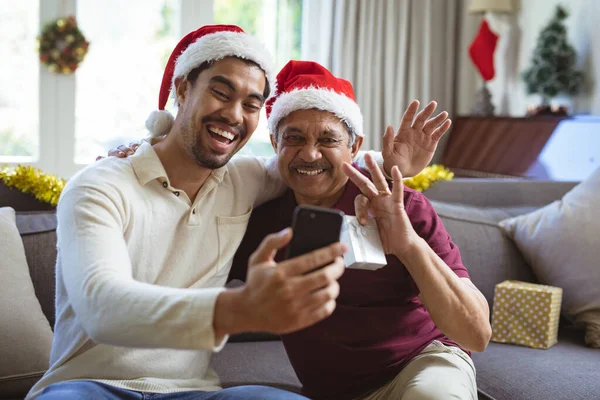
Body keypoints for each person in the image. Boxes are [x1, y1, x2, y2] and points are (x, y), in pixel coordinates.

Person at [28, 25, 446, 400]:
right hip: (86, 387)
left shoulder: (244, 180)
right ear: (182, 89)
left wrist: (395, 167)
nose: (233, 115)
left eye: (251, 103)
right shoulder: (99, 186)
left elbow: (312, 161)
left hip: (193, 392)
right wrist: (239, 309)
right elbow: (103, 308)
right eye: (221, 92)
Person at [227, 61, 492, 400]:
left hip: (421, 364)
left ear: (354, 147)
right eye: (293, 137)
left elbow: (475, 334)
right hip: (334, 391)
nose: (309, 154)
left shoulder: (401, 206)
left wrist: (408, 244)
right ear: (275, 143)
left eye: (327, 139)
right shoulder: (262, 219)